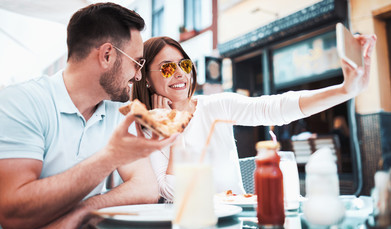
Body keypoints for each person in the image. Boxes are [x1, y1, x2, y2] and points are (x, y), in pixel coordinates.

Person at [0, 3, 178, 229]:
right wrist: (110, 157)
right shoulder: (21, 102)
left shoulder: (117, 113)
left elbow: (146, 188)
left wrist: (82, 211)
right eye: (137, 63)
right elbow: (14, 220)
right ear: (107, 55)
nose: (138, 76)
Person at [132, 35, 377, 202]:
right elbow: (174, 193)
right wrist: (174, 134)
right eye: (166, 68)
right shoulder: (142, 130)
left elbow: (276, 108)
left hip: (236, 223)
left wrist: (345, 90)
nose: (179, 73)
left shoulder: (216, 106)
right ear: (146, 78)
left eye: (184, 64)